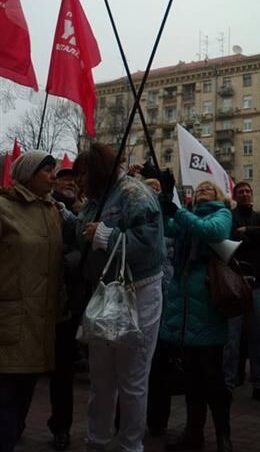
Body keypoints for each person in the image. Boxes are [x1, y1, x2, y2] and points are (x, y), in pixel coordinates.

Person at [72, 143, 165, 452]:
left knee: (132, 378)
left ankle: (130, 446)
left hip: (139, 292)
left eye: (83, 173)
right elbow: (82, 232)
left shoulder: (134, 194)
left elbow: (149, 243)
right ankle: (96, 440)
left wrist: (105, 236)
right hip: (105, 294)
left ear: (98, 170)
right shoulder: (94, 200)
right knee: (101, 377)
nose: (78, 181)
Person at [159, 180, 233, 452]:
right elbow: (168, 228)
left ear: (218, 195)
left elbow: (210, 231)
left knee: (213, 377)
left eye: (208, 188)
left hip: (208, 301)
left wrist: (178, 211)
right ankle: (193, 434)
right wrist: (165, 200)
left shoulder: (222, 213)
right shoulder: (186, 214)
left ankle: (224, 437)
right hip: (184, 303)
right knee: (191, 379)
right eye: (199, 189)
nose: (203, 190)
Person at [0, 150, 64, 452]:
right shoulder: (2, 207)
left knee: (23, 394)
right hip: (10, 317)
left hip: (42, 321)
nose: (54, 176)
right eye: (47, 170)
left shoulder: (53, 210)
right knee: (5, 400)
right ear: (27, 174)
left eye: (54, 170)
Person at [224, 182, 260, 404]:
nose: (245, 194)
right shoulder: (229, 217)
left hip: (259, 285)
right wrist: (255, 237)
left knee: (258, 336)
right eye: (241, 192)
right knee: (232, 337)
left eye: (248, 191)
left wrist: (247, 232)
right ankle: (227, 383)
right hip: (235, 283)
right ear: (236, 196)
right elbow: (232, 240)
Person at [47, 167, 86, 451]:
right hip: (41, 297)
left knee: (63, 371)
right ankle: (17, 421)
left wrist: (73, 257)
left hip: (72, 302)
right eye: (63, 178)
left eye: (74, 179)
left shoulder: (86, 210)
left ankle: (61, 427)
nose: (69, 182)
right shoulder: (46, 208)